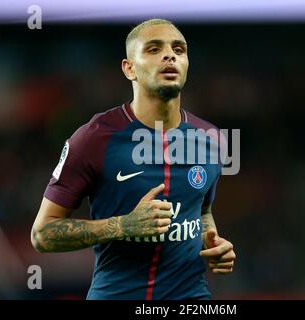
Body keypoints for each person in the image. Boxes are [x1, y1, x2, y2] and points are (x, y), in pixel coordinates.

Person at [31, 18, 236, 300]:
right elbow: (42, 234)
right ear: (129, 69)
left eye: (179, 49)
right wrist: (123, 226)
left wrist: (212, 242)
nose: (170, 55)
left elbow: (202, 211)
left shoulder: (212, 139)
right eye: (153, 49)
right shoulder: (94, 138)